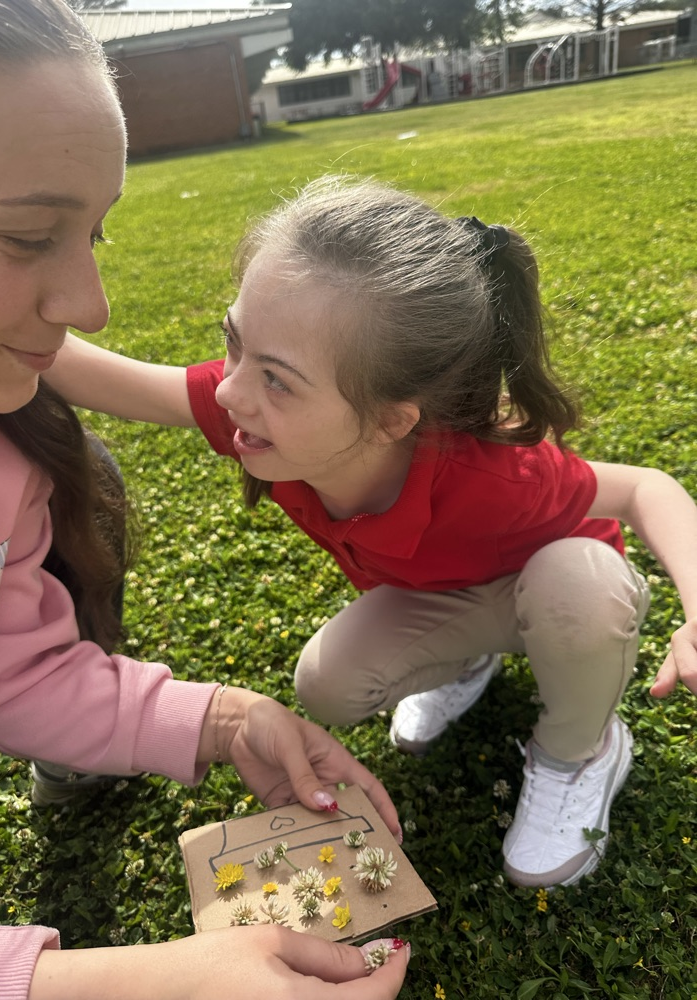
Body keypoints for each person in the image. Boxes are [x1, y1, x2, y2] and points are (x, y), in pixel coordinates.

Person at [49, 175, 697, 893]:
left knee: (580, 589)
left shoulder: (494, 475)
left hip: (553, 588)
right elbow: (93, 375)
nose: (231, 393)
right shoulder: (255, 414)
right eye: (234, 346)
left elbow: (646, 488)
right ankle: (467, 666)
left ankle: (580, 753)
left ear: (394, 420)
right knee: (327, 685)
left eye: (278, 380)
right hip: (449, 599)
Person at [0, 3, 412, 998]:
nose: (89, 304)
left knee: (92, 480)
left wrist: (222, 719)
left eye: (94, 233)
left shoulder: (0, 447)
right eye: (29, 235)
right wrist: (126, 982)